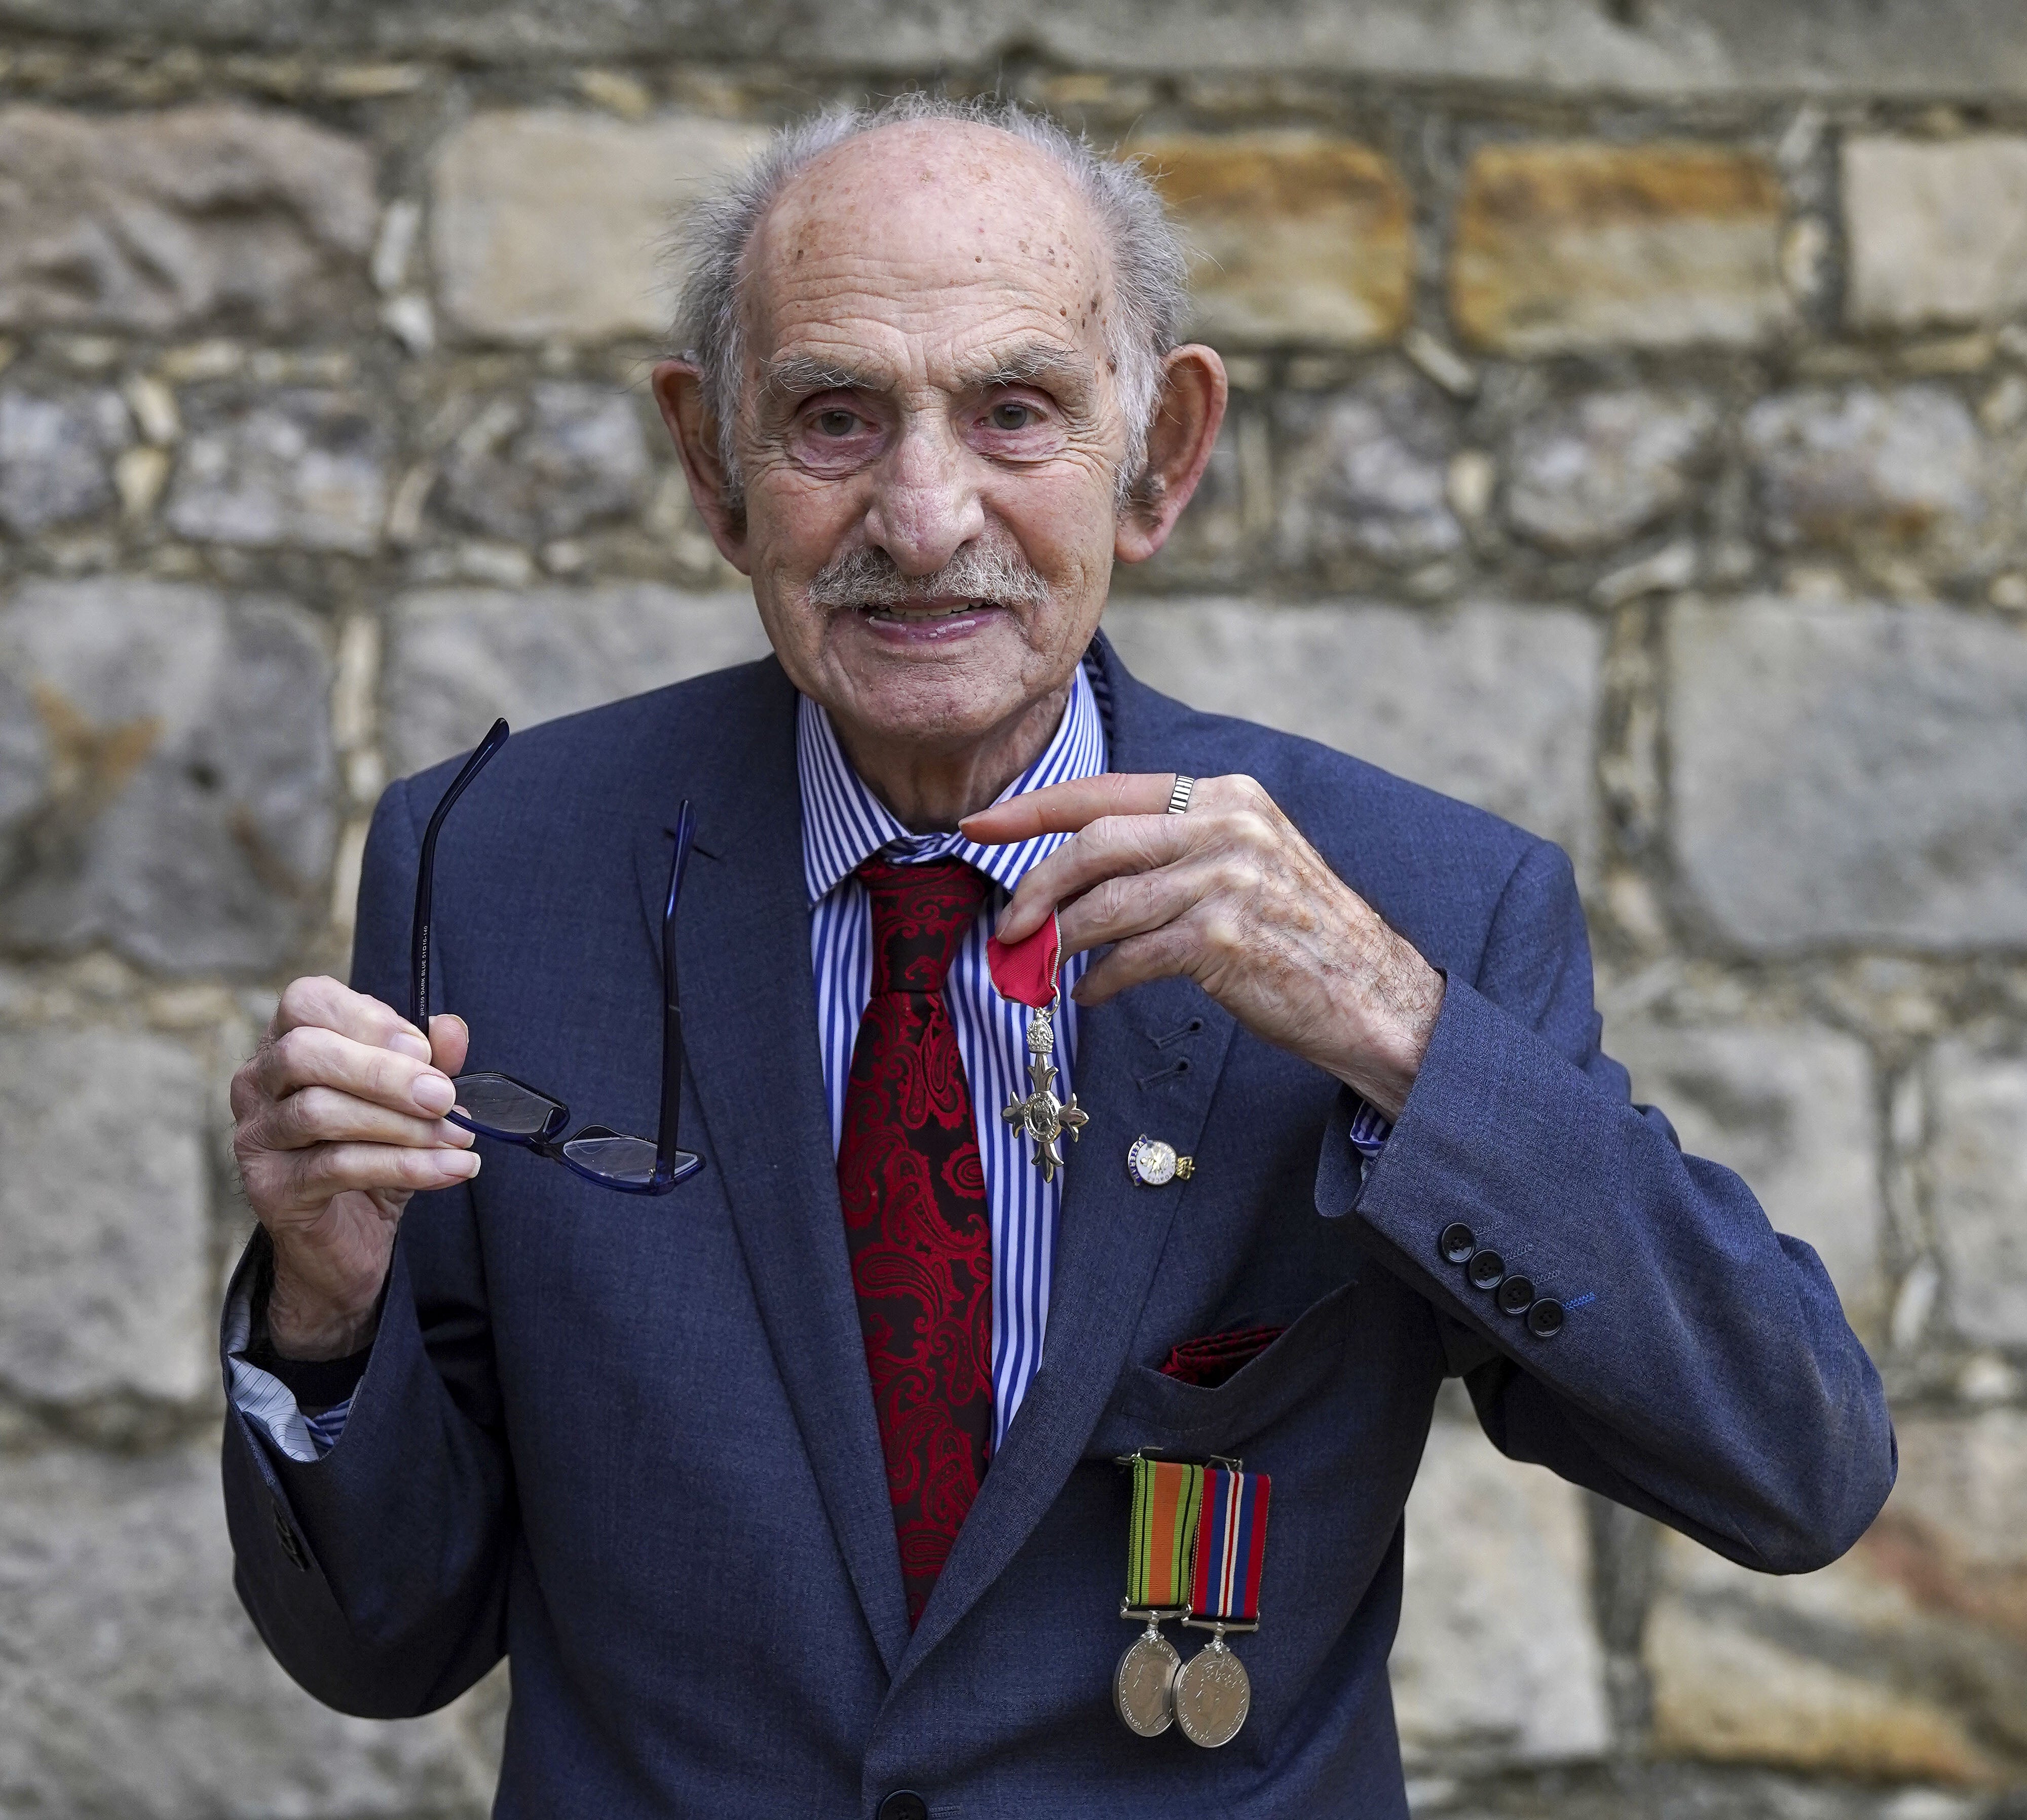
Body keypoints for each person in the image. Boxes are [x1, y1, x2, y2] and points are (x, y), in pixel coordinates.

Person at [222, 96, 1894, 1816]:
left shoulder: (1416, 902)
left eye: (1014, 412)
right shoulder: (496, 869)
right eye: (834, 419)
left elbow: (1797, 1468)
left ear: (1159, 456)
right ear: (714, 468)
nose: (926, 515)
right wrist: (325, 1309)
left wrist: (1399, 1032)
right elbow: (386, 1642)